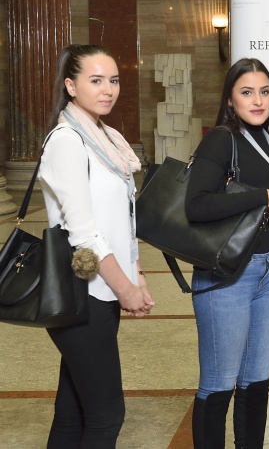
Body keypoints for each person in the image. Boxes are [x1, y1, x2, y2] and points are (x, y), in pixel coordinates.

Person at [185, 58, 269, 449]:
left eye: (265, 91)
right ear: (230, 99)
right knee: (218, 385)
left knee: (256, 383)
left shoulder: (268, 141)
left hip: (266, 275)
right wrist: (260, 197)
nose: (258, 100)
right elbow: (196, 205)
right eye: (247, 92)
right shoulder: (223, 138)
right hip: (227, 277)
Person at [39, 44, 154, 448]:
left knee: (73, 413)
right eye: (95, 80)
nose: (108, 89)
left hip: (101, 293)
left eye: (114, 80)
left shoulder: (107, 138)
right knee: (107, 416)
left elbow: (122, 220)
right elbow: (84, 232)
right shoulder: (67, 141)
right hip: (80, 294)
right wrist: (125, 289)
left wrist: (135, 275)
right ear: (70, 86)